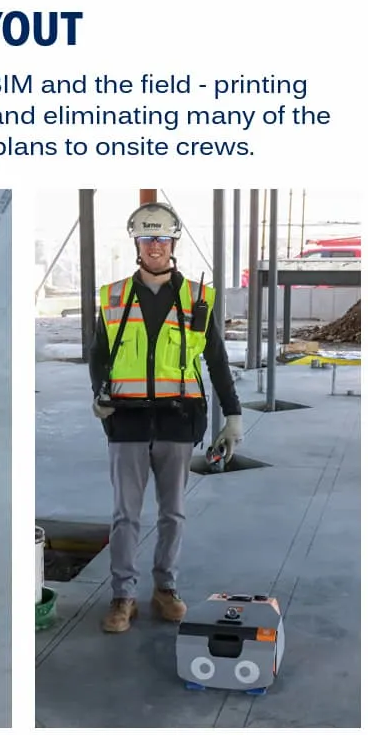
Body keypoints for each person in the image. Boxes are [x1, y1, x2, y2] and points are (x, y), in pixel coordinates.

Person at [89, 201, 243, 633]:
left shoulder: (198, 298)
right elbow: (99, 355)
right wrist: (98, 393)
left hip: (179, 419)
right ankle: (123, 597)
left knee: (173, 514)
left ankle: (165, 589)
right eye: (146, 238)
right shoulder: (114, 296)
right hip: (126, 421)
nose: (154, 246)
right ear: (136, 243)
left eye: (161, 238)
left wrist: (233, 415)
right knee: (125, 516)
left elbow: (216, 360)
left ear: (173, 242)